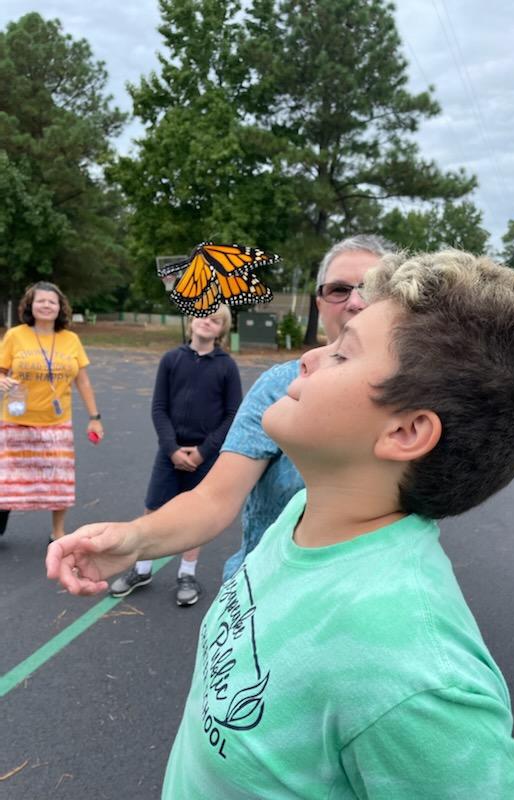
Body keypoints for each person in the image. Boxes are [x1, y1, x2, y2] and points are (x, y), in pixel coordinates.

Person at [48, 250, 514, 797]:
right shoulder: (300, 516)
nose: (308, 357)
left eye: (342, 355)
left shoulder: (412, 672)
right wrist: (134, 539)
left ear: (405, 432)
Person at [104, 234, 395, 596]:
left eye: (371, 287)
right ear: (319, 303)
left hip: (361, 602)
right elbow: (214, 498)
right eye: (338, 289)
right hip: (264, 595)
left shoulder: (419, 401)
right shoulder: (279, 386)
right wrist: (131, 539)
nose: (354, 301)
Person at [109, 306, 242, 606]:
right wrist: (171, 448)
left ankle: (187, 572)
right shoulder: (172, 359)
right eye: (203, 315)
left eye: (215, 319)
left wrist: (204, 451)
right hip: (169, 451)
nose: (207, 321)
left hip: (204, 455)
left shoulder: (226, 367)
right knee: (153, 508)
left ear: (222, 329)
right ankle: (143, 569)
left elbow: (233, 414)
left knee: (193, 515)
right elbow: (159, 407)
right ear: (192, 319)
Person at [0, 281, 103, 541]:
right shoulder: (15, 335)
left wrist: (94, 418)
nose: (46, 305)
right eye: (41, 301)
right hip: (16, 421)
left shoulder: (71, 339)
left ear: (60, 308)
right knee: (7, 480)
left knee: (60, 481)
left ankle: (57, 532)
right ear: (30, 305)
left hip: (56, 422)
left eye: (52, 302)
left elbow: (83, 381)